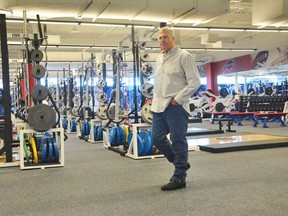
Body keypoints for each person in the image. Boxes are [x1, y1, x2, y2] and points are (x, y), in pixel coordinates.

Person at [151, 26, 201, 191]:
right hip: (159, 106)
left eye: (165, 37)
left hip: (175, 106)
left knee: (178, 140)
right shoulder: (159, 59)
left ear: (172, 39)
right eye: (160, 38)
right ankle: (181, 163)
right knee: (156, 138)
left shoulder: (183, 56)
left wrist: (178, 99)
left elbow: (195, 81)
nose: (162, 40)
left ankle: (179, 177)